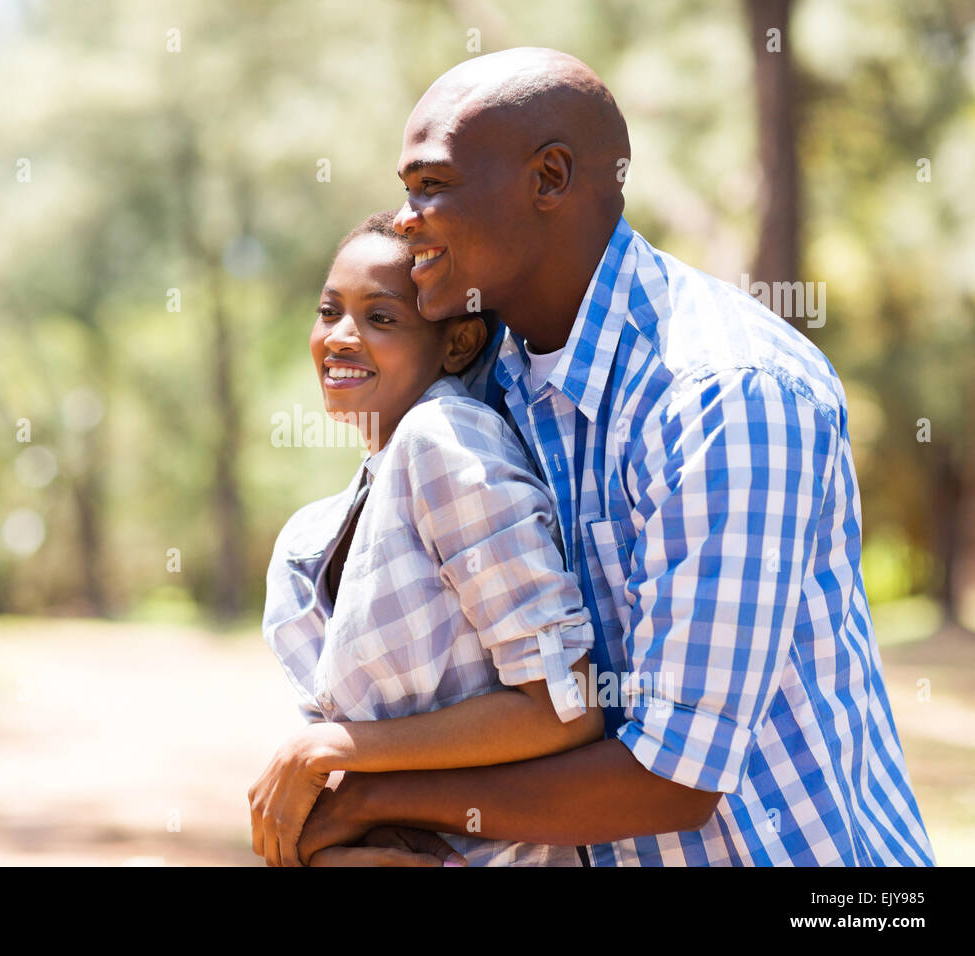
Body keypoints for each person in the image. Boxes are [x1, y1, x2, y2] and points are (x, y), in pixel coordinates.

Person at [291, 48, 935, 866]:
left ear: (550, 178)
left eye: (433, 184)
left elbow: (677, 778)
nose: (406, 217)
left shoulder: (723, 394)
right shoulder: (497, 382)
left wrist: (368, 788)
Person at [251, 211, 604, 867]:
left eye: (380, 318)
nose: (341, 338)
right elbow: (332, 787)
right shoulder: (309, 539)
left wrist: (333, 750)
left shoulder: (443, 441)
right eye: (330, 312)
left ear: (459, 343)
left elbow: (568, 705)